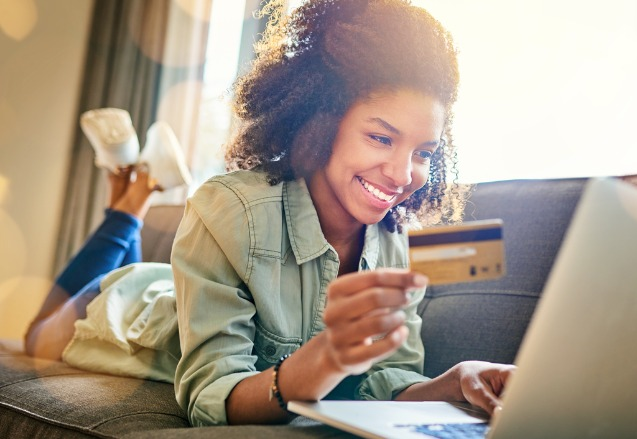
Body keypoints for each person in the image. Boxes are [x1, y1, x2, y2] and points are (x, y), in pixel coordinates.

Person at [25, 0, 514, 427]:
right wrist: (326, 357)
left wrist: (452, 382)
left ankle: (136, 180)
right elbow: (210, 397)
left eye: (424, 152)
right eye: (381, 138)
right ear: (322, 121)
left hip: (180, 286)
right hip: (122, 311)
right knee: (35, 334)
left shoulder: (396, 246)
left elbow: (384, 380)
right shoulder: (229, 207)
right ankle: (129, 199)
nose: (402, 173)